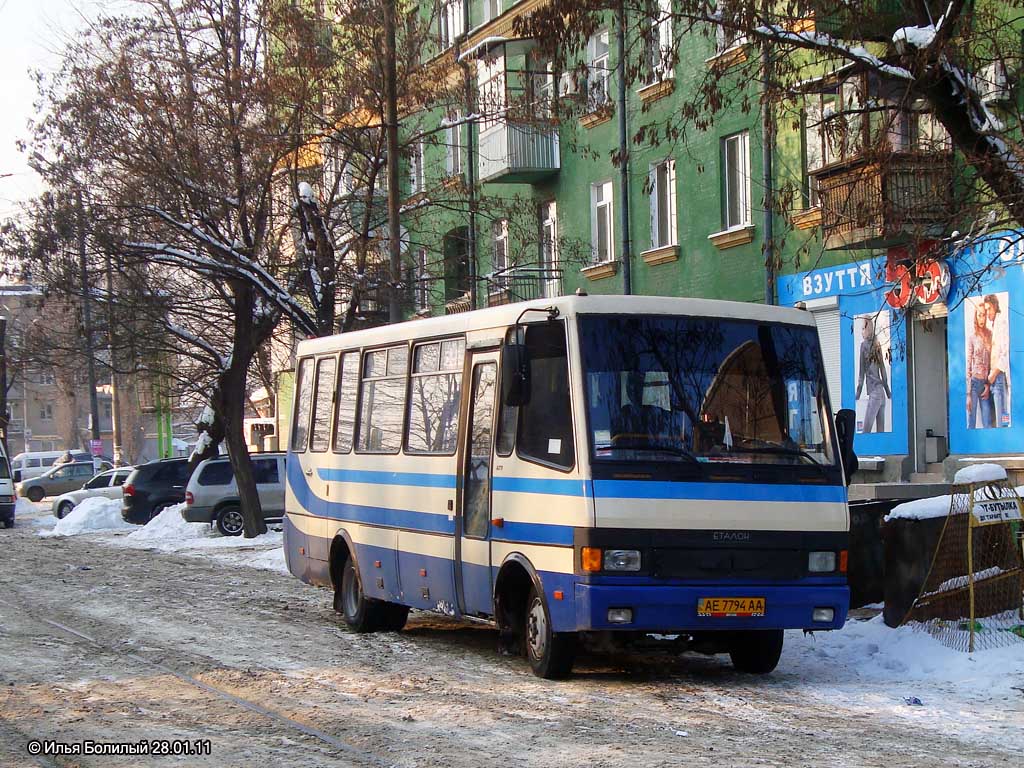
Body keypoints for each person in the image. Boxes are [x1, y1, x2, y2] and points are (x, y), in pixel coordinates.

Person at [855, 316, 891, 433]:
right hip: (881, 394)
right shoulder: (877, 344)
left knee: (866, 431)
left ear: (866, 328)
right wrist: (888, 393)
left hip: (874, 394)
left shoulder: (864, 346)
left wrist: (857, 395)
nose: (861, 331)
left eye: (862, 328)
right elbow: (883, 372)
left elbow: (861, 375)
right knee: (880, 432)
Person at [983, 294, 1010, 428]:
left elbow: (1005, 352)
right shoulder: (992, 327)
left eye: (989, 309)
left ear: (994, 306)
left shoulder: (1002, 323)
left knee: (1001, 419)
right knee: (991, 420)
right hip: (990, 378)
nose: (987, 313)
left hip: (997, 376)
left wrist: (994, 374)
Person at [967, 301, 993, 429]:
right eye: (979, 315)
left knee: (987, 422)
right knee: (971, 421)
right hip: (974, 382)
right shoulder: (972, 337)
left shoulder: (990, 335)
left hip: (984, 383)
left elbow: (991, 361)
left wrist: (988, 384)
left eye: (983, 315)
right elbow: (968, 364)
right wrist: (968, 394)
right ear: (975, 317)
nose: (981, 318)